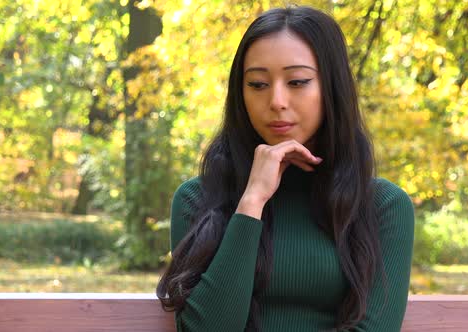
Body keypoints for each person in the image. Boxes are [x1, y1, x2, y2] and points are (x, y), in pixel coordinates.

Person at [157, 5, 414, 332]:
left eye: (297, 81)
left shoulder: (383, 206)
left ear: (331, 89)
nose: (277, 100)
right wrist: (251, 202)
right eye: (258, 84)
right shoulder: (198, 198)